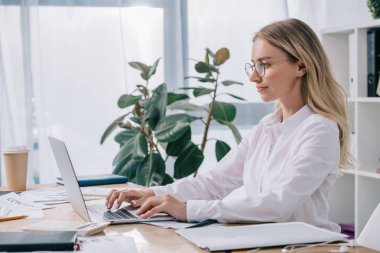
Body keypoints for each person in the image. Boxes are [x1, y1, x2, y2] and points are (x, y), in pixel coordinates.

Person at [105, 18, 352, 232]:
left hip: (307, 247)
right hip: (266, 240)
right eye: (254, 65)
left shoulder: (320, 129)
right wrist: (154, 194)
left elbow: (279, 204)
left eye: (264, 65)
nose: (253, 77)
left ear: (301, 65)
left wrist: (188, 209)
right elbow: (215, 182)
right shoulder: (267, 126)